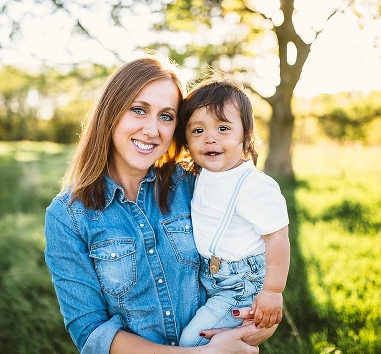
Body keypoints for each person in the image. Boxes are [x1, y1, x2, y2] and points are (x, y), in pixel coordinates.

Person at [44, 56, 275, 354]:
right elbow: (91, 333)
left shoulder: (196, 185)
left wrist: (259, 322)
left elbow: (255, 262)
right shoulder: (67, 217)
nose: (152, 130)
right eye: (138, 110)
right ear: (110, 114)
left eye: (166, 116)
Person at [176, 78, 290, 346]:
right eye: (198, 130)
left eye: (223, 128)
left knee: (192, 342)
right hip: (210, 275)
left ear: (246, 134)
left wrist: (273, 291)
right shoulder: (203, 172)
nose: (210, 138)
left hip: (241, 286)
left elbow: (277, 237)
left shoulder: (253, 184)